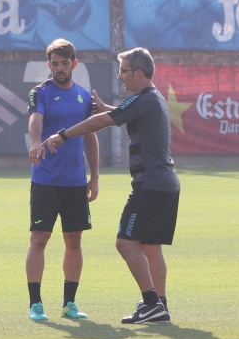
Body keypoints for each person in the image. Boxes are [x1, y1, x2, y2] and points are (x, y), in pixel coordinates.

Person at [39, 47, 180, 324]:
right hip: (165, 184)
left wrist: (63, 135)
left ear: (138, 73)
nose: (119, 76)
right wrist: (108, 109)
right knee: (151, 247)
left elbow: (102, 121)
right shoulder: (151, 98)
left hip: (151, 185)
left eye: (123, 71)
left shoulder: (144, 98)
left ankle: (152, 304)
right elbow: (117, 113)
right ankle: (159, 306)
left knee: (125, 243)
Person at [26, 39, 99, 321]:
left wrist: (94, 176)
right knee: (39, 239)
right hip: (45, 179)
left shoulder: (84, 96)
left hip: (76, 182)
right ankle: (35, 304)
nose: (59, 68)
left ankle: (69, 304)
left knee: (74, 240)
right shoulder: (40, 93)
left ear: (74, 64)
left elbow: (90, 136)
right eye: (54, 63)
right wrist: (36, 141)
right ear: (49, 64)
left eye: (64, 63)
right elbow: (36, 118)